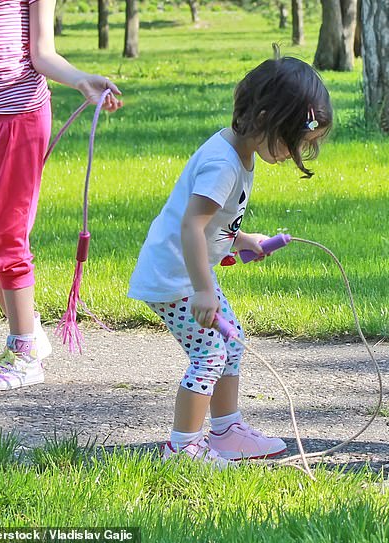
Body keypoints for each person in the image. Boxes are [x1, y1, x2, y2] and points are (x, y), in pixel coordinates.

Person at [128, 50, 332, 467]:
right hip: (175, 278)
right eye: (298, 141)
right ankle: (182, 447)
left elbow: (212, 223)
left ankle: (225, 431)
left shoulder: (241, 153)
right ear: (265, 119)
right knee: (210, 354)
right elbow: (190, 226)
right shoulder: (223, 165)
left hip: (190, 273)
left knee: (231, 342)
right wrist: (204, 289)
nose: (298, 153)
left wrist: (242, 240)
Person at [0, 0, 123, 391]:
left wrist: (80, 79)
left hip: (17, 122)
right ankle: (29, 332)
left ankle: (25, 355)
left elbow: (42, 54)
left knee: (2, 237)